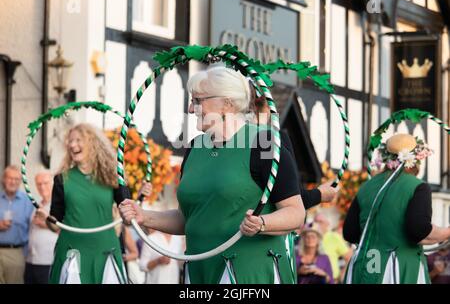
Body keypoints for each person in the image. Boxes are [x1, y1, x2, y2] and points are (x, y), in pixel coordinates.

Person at [120, 66, 305, 284]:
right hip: (198, 271)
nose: (190, 108)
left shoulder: (264, 144)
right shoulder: (195, 147)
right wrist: (145, 216)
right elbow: (187, 218)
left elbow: (295, 213)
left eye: (198, 100)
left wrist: (262, 223)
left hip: (248, 272)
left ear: (227, 104)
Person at [40, 123, 151, 284]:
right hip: (72, 250)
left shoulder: (113, 176)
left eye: (78, 140)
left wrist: (139, 198)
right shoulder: (62, 179)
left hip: (105, 250)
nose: (72, 145)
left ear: (93, 143)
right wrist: (47, 219)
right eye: (70, 141)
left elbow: (127, 219)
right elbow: (56, 224)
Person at [343, 133, 450, 284]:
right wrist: (447, 232)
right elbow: (419, 231)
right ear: (415, 159)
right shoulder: (417, 186)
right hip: (398, 267)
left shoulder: (366, 187)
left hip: (366, 264)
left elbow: (350, 233)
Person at [0, 165, 34, 284]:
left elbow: (33, 228)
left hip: (15, 253)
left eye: (16, 179)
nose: (13, 182)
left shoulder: (28, 201)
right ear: (4, 179)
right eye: (10, 178)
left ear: (20, 181)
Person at [24, 171, 59, 284]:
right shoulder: (37, 205)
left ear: (53, 183)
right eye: (39, 184)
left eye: (45, 183)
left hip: (49, 261)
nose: (42, 187)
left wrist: (46, 224)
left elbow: (68, 230)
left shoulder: (58, 205)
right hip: (31, 261)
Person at [314, 212, 352, 283]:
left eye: (321, 222)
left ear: (327, 223)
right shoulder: (309, 238)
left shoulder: (334, 237)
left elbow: (349, 257)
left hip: (331, 280)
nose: (317, 224)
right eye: (315, 221)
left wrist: (342, 275)